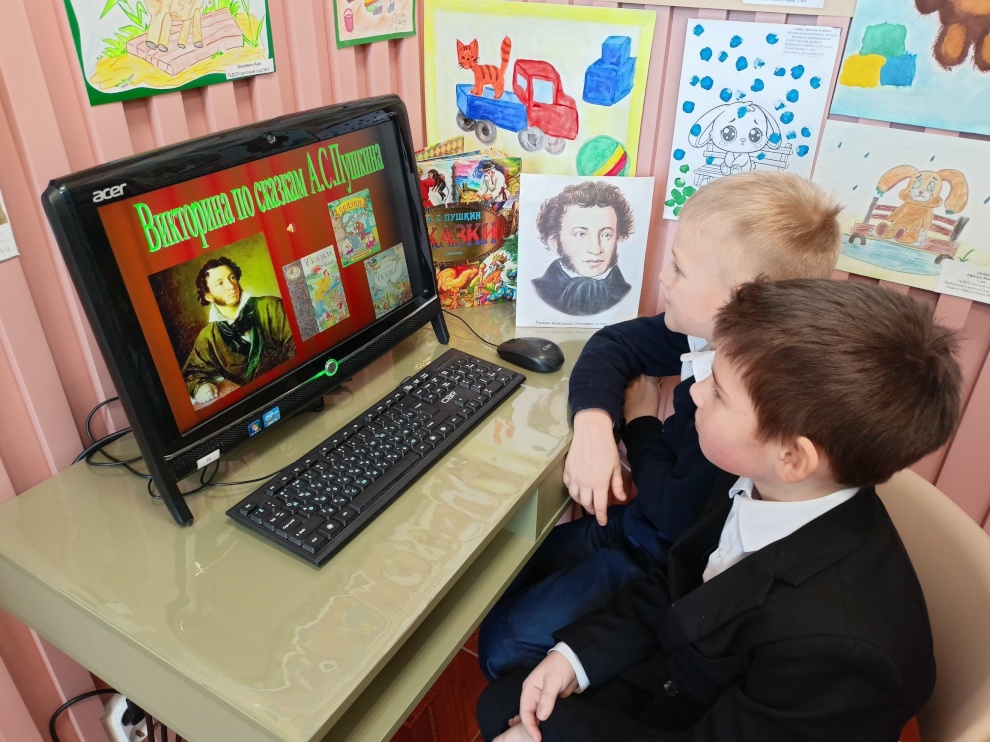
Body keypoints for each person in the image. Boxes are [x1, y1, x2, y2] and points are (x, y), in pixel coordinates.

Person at [478, 278, 962, 742]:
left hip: (707, 714)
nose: (694, 391)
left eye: (720, 391)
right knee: (506, 700)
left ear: (793, 457)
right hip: (690, 671)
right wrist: (575, 658)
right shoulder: (759, 479)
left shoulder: (836, 651)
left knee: (508, 710)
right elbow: (677, 582)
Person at [478, 171, 842, 680]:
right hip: (637, 523)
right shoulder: (706, 332)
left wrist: (641, 421)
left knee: (501, 643)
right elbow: (614, 344)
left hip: (663, 561)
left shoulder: (753, 411)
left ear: (740, 299)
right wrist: (594, 425)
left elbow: (673, 516)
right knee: (498, 575)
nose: (662, 278)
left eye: (679, 268)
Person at [183, 256, 296, 405]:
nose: (231, 286)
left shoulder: (271, 306)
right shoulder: (208, 337)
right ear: (208, 296)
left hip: (289, 391)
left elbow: (296, 344)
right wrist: (200, 387)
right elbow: (192, 373)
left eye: (232, 277)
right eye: (220, 283)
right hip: (250, 406)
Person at [530, 180, 635, 316]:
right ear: (554, 240)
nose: (596, 249)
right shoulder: (535, 290)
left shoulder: (628, 292)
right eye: (580, 234)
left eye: (606, 235)